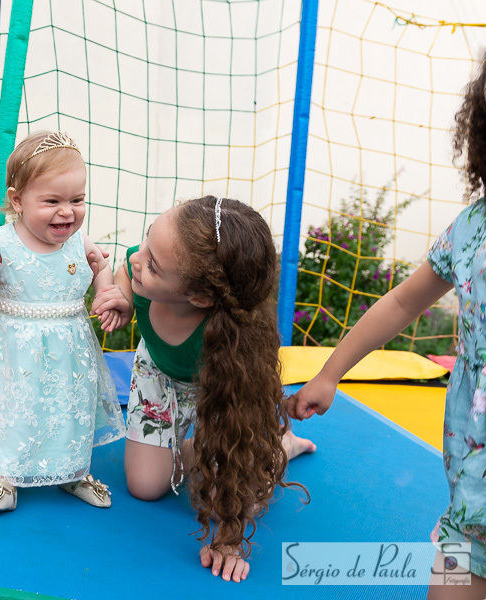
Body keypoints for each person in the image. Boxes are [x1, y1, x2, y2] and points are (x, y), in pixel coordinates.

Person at [287, 57, 486, 600]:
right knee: (448, 583)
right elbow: (401, 302)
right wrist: (329, 373)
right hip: (473, 493)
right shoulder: (471, 230)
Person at [92, 196, 315, 582]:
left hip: (215, 389)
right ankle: (188, 448)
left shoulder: (232, 348)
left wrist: (229, 539)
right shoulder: (146, 268)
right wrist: (126, 298)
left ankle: (279, 445)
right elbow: (128, 268)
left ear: (198, 298)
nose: (137, 259)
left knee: (223, 499)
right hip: (157, 375)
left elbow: (234, 424)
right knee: (146, 487)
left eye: (154, 265)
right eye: (146, 242)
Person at [0, 131, 126, 512]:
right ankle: (3, 473)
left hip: (68, 348)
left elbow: (99, 266)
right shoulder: (2, 240)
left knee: (67, 406)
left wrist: (107, 294)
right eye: (52, 201)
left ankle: (71, 468)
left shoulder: (80, 241)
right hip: (13, 349)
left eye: (77, 200)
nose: (67, 212)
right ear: (17, 201)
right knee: (11, 406)